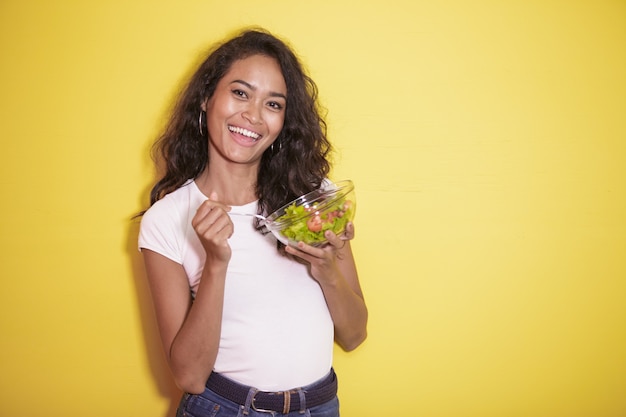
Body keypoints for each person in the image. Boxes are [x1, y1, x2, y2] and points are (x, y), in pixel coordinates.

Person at [138, 28, 368, 417]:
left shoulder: (312, 202)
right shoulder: (167, 219)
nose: (253, 115)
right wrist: (215, 263)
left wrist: (327, 268)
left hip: (320, 407)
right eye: (240, 93)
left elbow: (354, 335)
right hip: (223, 408)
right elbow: (189, 377)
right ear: (207, 98)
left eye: (273, 104)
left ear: (283, 122)